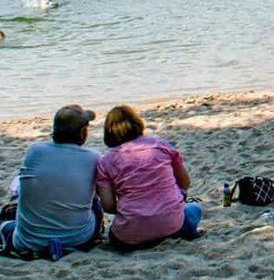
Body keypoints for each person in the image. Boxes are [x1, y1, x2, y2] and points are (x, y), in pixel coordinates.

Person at [0, 105, 102, 258]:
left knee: (6, 221)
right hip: (78, 238)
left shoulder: (35, 151)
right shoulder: (94, 157)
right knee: (95, 204)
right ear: (82, 133)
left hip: (28, 242)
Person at [95, 105, 201, 250]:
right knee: (194, 207)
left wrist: (129, 209)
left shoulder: (106, 161)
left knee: (116, 234)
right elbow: (185, 182)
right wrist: (178, 195)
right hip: (172, 225)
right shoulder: (161, 145)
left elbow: (107, 205)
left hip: (130, 234)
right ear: (137, 123)